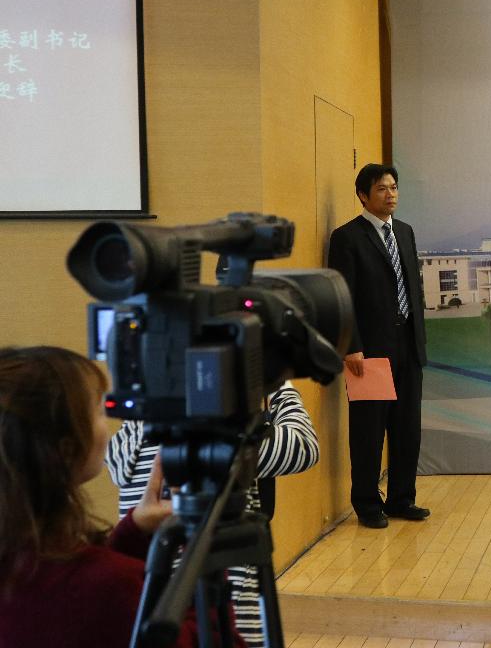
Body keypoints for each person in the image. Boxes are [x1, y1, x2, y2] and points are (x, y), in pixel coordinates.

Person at [0, 345, 244, 647]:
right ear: (67, 450)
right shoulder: (106, 585)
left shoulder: (21, 561)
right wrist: (203, 545)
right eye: (99, 410)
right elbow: (213, 640)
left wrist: (133, 535)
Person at [106, 380, 318, 648]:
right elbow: (304, 445)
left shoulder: (135, 434)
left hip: (155, 616)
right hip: (225, 617)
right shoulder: (215, 439)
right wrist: (278, 385)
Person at [327, 163, 429, 528]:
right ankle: (368, 504)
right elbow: (341, 296)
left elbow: (412, 287)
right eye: (382, 189)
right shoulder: (347, 237)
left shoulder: (404, 231)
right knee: (368, 431)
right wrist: (350, 344)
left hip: (408, 345)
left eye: (394, 187)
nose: (391, 194)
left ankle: (402, 499)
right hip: (369, 350)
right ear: (363, 195)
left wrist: (419, 339)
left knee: (407, 428)